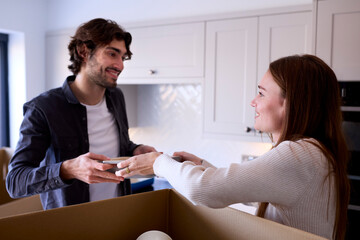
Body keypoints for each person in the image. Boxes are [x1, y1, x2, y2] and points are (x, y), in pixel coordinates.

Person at [114, 54, 350, 240]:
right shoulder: (314, 153)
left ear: (289, 103)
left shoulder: (299, 154)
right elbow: (247, 192)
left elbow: (202, 190)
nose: (253, 101)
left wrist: (158, 163)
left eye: (261, 93)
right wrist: (202, 166)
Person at [6, 18, 156, 210]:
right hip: (70, 226)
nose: (120, 65)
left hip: (117, 215)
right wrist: (68, 169)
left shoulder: (117, 97)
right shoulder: (43, 108)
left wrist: (135, 149)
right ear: (84, 52)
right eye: (112, 54)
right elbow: (15, 182)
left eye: (123, 57)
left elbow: (117, 147)